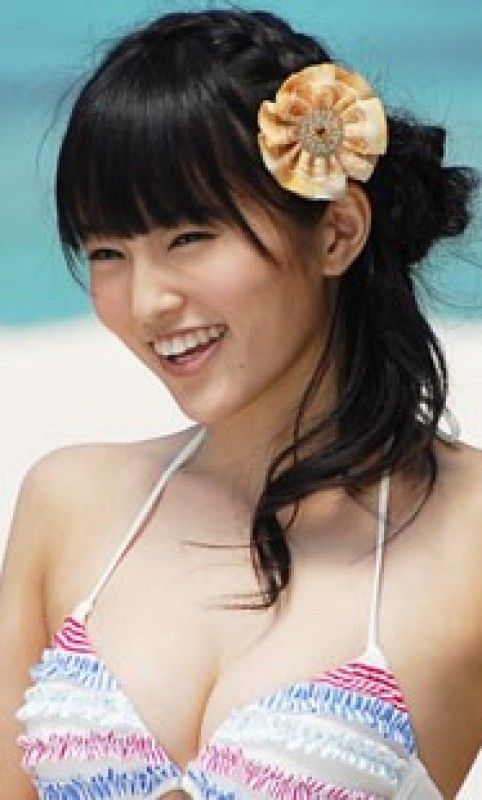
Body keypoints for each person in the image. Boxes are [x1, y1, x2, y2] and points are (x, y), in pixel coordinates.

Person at [0, 7, 480, 799]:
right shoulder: (68, 503)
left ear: (337, 232)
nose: (148, 302)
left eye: (190, 237)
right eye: (108, 252)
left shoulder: (469, 530)